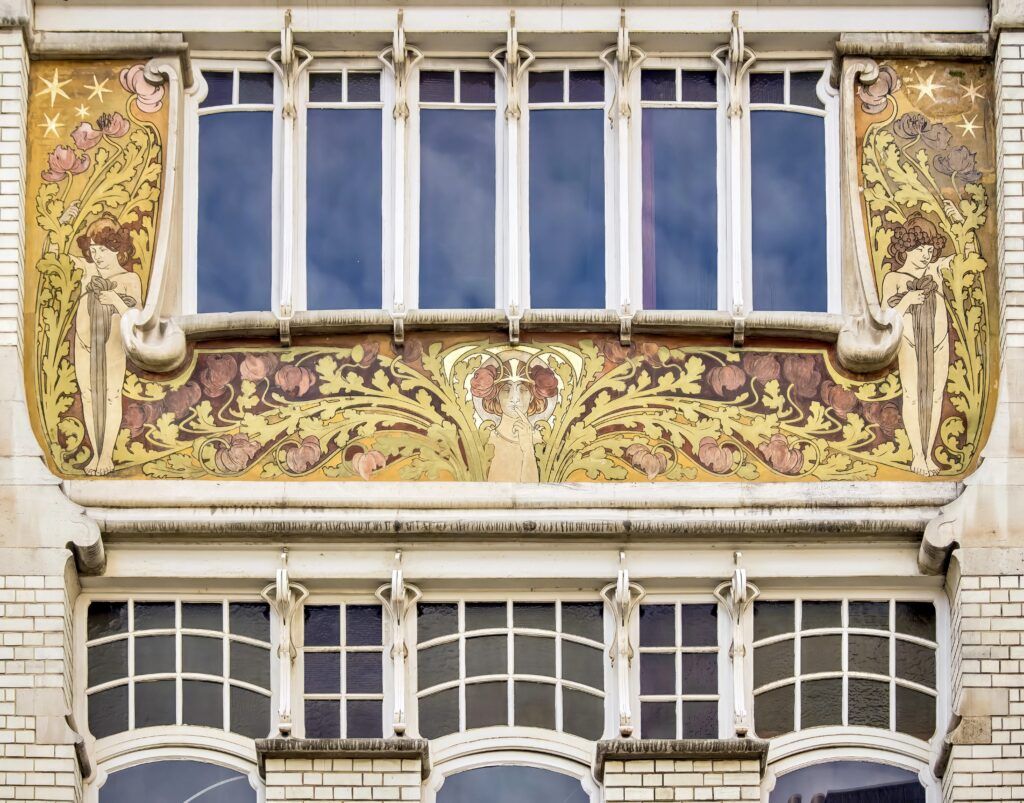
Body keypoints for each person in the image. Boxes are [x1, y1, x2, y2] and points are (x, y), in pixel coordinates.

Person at [62, 216, 143, 475]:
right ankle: (95, 455)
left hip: (112, 346)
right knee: (87, 395)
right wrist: (66, 220)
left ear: (117, 249)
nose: (97, 256)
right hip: (84, 344)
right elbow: (58, 253)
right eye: (94, 251)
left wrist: (116, 301)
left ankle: (106, 455)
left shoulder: (130, 279)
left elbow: (139, 315)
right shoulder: (88, 271)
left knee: (111, 395)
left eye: (103, 250)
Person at [881, 214, 952, 476]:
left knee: (935, 395)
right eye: (920, 248)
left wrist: (954, 217)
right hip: (910, 342)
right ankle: (918, 455)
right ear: (906, 247)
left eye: (930, 249)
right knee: (912, 395)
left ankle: (930, 452)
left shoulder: (934, 271)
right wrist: (907, 299)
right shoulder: (894, 278)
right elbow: (884, 317)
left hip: (939, 341)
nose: (925, 254)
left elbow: (964, 257)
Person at [470, 354, 558, 483]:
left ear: (533, 396)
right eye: (506, 390)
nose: (515, 398)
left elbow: (534, 495)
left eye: (522, 390)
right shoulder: (486, 442)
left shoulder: (544, 442)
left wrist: (528, 449)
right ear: (496, 396)